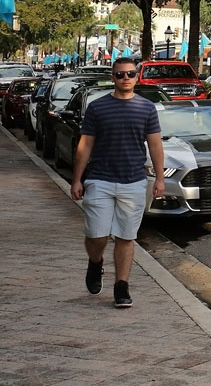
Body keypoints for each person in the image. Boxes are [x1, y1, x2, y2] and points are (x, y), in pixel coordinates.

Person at [69, 57, 165, 309]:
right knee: (96, 235)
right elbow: (85, 145)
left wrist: (160, 178)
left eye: (130, 74)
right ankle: (96, 261)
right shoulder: (98, 108)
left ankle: (121, 286)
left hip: (133, 181)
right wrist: (77, 179)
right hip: (99, 179)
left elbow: (155, 145)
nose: (125, 78)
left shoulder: (146, 108)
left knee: (125, 236)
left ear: (137, 77)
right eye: (120, 74)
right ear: (112, 77)